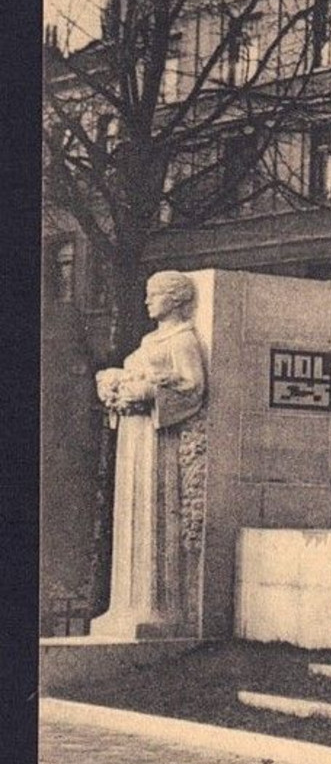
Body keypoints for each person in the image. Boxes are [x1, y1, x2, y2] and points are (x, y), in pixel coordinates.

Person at [91, 271, 207, 638]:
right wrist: (114, 385)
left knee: (152, 512)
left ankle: (157, 609)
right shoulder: (149, 339)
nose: (146, 302)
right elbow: (134, 375)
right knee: (129, 510)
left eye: (153, 295)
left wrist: (147, 393)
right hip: (133, 437)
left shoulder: (183, 339)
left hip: (159, 441)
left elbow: (192, 388)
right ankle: (124, 606)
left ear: (174, 299)